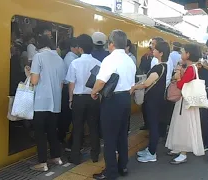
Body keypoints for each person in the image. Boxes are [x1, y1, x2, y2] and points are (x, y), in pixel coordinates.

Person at [92, 30, 136, 180]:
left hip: (112, 101)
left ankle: (111, 172)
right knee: (122, 135)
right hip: (125, 99)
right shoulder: (130, 60)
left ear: (111, 44)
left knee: (110, 138)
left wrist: (94, 92)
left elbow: (101, 81)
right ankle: (122, 166)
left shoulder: (110, 60)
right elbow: (131, 84)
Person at [26, 35, 66, 171]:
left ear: (38, 45)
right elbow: (61, 84)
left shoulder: (39, 56)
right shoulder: (60, 59)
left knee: (39, 132)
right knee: (52, 131)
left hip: (41, 101)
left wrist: (28, 73)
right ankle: (56, 157)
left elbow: (34, 80)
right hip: (55, 102)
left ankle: (42, 163)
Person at [165, 44, 205, 164]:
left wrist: (177, 77)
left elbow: (182, 85)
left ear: (188, 54)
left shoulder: (191, 68)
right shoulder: (191, 67)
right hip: (185, 102)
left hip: (186, 103)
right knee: (180, 125)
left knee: (185, 127)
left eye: (183, 52)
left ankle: (183, 153)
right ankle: (179, 148)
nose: (181, 54)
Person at [132, 41, 170, 163]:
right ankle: (149, 149)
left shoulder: (158, 67)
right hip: (158, 99)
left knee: (153, 126)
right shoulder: (165, 66)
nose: (152, 50)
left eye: (155, 49)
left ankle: (152, 153)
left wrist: (133, 87)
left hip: (153, 101)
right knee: (154, 125)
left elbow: (146, 84)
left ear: (161, 53)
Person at [66, 34, 101, 165]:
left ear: (80, 48)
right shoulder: (98, 63)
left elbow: (71, 83)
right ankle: (95, 155)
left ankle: (75, 157)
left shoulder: (74, 63)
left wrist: (70, 99)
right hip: (93, 98)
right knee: (93, 127)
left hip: (78, 98)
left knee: (78, 127)